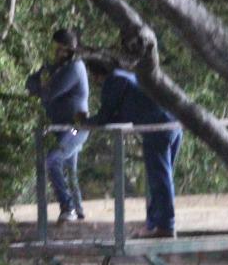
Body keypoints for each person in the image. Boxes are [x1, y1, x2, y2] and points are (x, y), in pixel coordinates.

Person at [81, 58, 181, 238]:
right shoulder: (128, 76)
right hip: (172, 122)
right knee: (160, 177)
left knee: (159, 179)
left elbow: (105, 116)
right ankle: (154, 224)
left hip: (157, 127)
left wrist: (84, 122)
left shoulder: (113, 81)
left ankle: (166, 225)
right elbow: (119, 115)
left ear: (96, 74)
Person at [26, 28, 89, 223]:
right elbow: (29, 83)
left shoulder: (75, 68)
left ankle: (68, 208)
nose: (54, 53)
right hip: (60, 129)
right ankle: (77, 209)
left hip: (75, 127)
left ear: (68, 49)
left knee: (52, 160)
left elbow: (49, 93)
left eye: (58, 48)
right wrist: (42, 82)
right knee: (69, 168)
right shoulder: (54, 68)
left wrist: (42, 87)